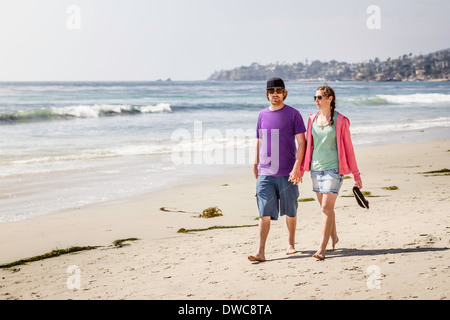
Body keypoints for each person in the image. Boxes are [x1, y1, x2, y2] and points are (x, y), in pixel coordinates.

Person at [300, 84, 362, 260]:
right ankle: (334, 236)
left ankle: (322, 248)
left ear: (329, 99)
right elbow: (307, 145)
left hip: (334, 169)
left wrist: (356, 176)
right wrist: (300, 167)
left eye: (319, 97)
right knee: (325, 207)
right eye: (315, 98)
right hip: (316, 169)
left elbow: (349, 148)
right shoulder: (312, 118)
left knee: (326, 208)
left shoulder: (341, 120)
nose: (316, 101)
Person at [248, 77, 306, 262]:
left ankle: (291, 244)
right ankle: (260, 252)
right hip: (265, 172)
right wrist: (255, 164)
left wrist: (297, 168)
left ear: (284, 93)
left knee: (290, 210)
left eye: (279, 91)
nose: (275, 94)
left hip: (288, 171)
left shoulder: (294, 114)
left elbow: (302, 143)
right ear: (267, 94)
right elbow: (259, 141)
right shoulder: (262, 115)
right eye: (272, 91)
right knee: (263, 212)